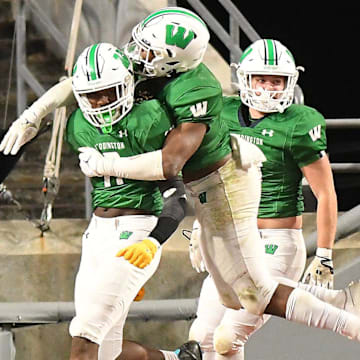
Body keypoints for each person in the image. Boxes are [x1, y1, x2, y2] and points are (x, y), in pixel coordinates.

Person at [2, 5, 360, 353]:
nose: (138, 55)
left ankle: (350, 320)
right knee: (225, 308)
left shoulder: (195, 87)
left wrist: (107, 164)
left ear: (172, 63)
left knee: (253, 292)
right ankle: (339, 304)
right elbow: (79, 84)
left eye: (148, 51)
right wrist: (33, 114)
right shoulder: (153, 67)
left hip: (224, 186)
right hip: (199, 189)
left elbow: (169, 164)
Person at [185, 38, 360, 359]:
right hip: (227, 237)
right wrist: (201, 227)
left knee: (228, 336)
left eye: (276, 80)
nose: (268, 88)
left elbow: (325, 193)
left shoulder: (299, 122)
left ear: (290, 82)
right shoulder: (222, 113)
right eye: (262, 79)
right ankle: (337, 302)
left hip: (275, 242)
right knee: (202, 338)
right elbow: (208, 178)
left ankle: (344, 314)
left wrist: (323, 253)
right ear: (244, 79)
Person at [60, 42, 199, 360]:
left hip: (136, 232)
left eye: (108, 92)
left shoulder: (148, 119)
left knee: (84, 336)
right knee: (106, 351)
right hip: (96, 235)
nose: (100, 102)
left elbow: (176, 197)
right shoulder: (78, 126)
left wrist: (153, 242)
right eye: (92, 95)